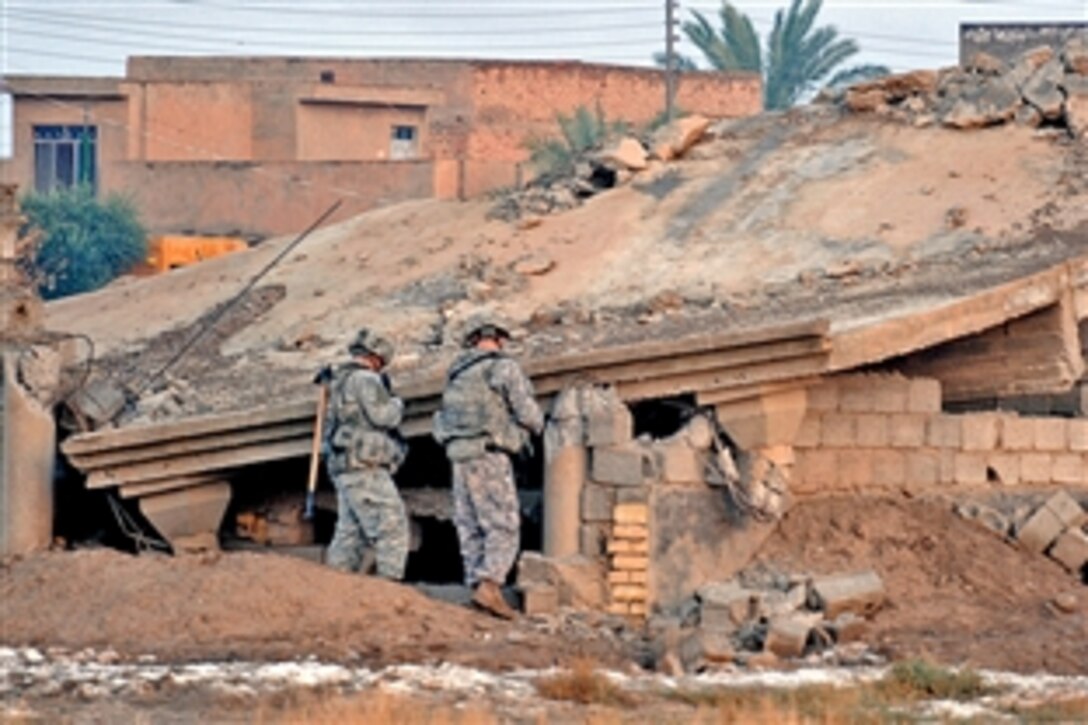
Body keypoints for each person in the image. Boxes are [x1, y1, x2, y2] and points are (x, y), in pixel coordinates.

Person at [433, 315, 544, 619]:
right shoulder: (503, 367)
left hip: (459, 457)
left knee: (469, 523)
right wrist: (535, 426)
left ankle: (476, 585)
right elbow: (528, 413)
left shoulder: (456, 373)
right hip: (489, 453)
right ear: (500, 340)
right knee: (503, 523)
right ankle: (491, 586)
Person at [322, 328, 409, 580]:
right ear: (377, 357)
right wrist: (397, 403)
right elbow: (384, 417)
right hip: (364, 466)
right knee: (392, 526)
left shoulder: (338, 380)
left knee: (350, 532)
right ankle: (389, 588)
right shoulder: (367, 379)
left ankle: (336, 585)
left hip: (343, 466)